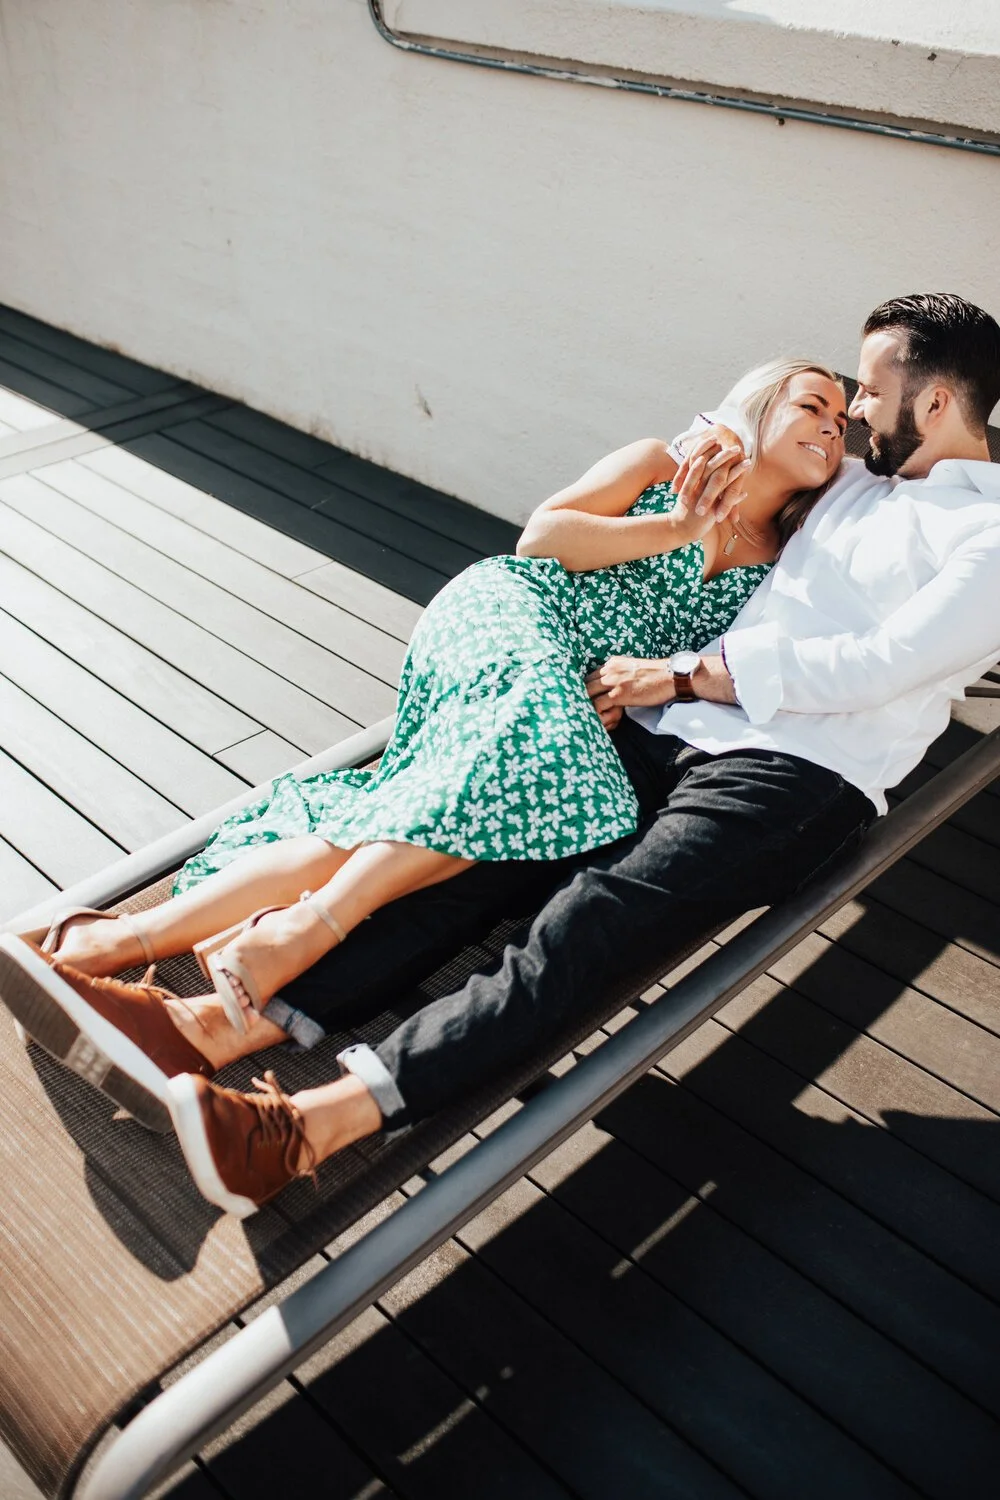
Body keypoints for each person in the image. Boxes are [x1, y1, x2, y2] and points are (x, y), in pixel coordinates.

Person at [4, 294, 1000, 1223]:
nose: (860, 410)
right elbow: (737, 459)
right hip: (667, 724)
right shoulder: (854, 484)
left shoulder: (985, 533)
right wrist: (697, 463)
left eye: (872, 389)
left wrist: (689, 672)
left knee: (590, 919)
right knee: (479, 860)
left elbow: (882, 664)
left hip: (790, 774)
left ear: (940, 398)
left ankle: (310, 1127)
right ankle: (215, 1028)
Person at [3, 358, 837, 1029]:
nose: (831, 429)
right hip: (514, 614)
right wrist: (678, 528)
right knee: (524, 772)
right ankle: (297, 932)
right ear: (759, 407)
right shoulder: (664, 464)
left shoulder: (780, 561)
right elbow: (542, 538)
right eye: (812, 405)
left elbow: (696, 662)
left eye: (842, 425)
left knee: (413, 808)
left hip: (567, 688)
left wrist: (621, 685)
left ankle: (112, 940)